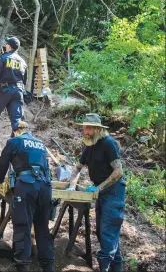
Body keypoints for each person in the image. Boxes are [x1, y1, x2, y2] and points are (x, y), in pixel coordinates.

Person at [67, 114, 125, 272]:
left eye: (88, 128)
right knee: (103, 234)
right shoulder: (90, 145)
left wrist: (99, 188)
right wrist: (72, 185)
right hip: (101, 192)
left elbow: (118, 171)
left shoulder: (109, 144)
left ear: (98, 129)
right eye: (84, 127)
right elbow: (78, 167)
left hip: (114, 192)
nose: (84, 131)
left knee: (107, 234)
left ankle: (104, 268)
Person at [0, 121, 54, 272]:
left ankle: (23, 266)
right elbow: (47, 169)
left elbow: (2, 163)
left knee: (23, 226)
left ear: (15, 131)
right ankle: (48, 266)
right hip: (45, 187)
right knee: (42, 226)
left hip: (27, 185)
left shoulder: (15, 141)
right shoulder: (40, 143)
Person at [0, 37, 27, 141]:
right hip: (18, 91)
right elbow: (24, 80)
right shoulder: (23, 61)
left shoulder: (3, 58)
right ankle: (17, 142)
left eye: (7, 44)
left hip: (5, 90)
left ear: (9, 46)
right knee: (16, 119)